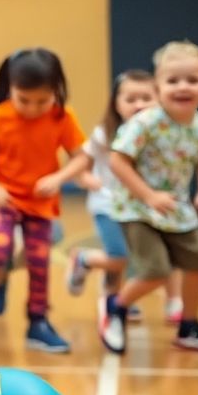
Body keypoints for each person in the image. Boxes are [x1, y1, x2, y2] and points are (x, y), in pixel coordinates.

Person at [0, 48, 90, 358]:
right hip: (4, 199)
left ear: (57, 90)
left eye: (42, 101)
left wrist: (59, 178)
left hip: (41, 204)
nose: (32, 108)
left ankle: (37, 323)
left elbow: (81, 157)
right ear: (10, 88)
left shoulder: (62, 117)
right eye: (23, 100)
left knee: (39, 263)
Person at [101, 41, 198, 353]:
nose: (182, 87)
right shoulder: (146, 122)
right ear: (158, 86)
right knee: (156, 271)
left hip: (177, 209)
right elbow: (117, 160)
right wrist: (149, 195)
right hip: (136, 207)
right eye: (172, 80)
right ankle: (116, 307)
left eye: (192, 80)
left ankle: (189, 326)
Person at [67, 69, 184, 326]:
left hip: (146, 205)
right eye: (130, 99)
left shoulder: (162, 132)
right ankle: (84, 260)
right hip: (108, 205)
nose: (139, 105)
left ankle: (172, 301)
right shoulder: (105, 134)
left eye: (146, 98)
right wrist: (86, 180)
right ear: (116, 103)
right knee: (119, 256)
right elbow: (80, 163)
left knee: (167, 250)